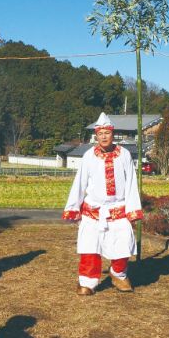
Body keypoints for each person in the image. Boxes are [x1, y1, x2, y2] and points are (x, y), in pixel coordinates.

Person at [62, 112, 143, 295]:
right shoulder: (89, 156)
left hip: (118, 209)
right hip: (93, 210)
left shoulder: (125, 155)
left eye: (107, 133)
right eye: (100, 134)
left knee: (123, 247)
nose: (104, 136)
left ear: (112, 134)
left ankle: (119, 274)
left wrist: (132, 211)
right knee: (90, 248)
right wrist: (74, 207)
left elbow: (131, 183)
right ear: (96, 136)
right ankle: (88, 282)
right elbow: (80, 182)